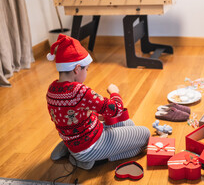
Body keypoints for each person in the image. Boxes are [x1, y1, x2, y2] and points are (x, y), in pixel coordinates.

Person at [46, 34, 150, 170]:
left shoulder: (52, 89)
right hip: (90, 146)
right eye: (86, 69)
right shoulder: (79, 91)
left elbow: (71, 115)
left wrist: (95, 116)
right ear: (77, 68)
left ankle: (68, 148)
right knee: (145, 135)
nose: (87, 72)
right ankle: (90, 161)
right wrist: (114, 92)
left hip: (77, 139)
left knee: (129, 124)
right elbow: (115, 109)